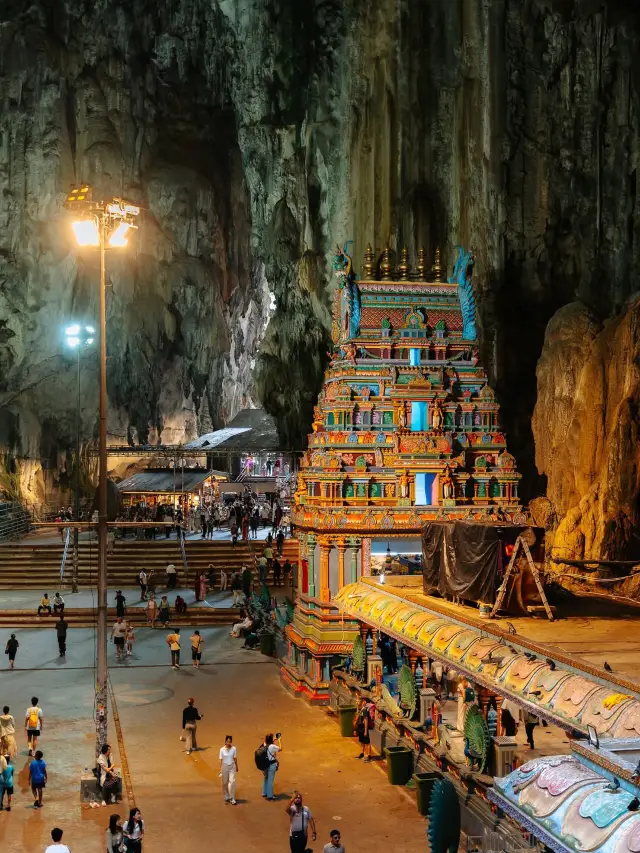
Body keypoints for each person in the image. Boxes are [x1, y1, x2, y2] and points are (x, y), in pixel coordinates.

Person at [261, 733, 282, 800]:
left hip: (265, 764)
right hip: (271, 765)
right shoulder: (272, 746)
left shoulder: (264, 744)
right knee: (270, 780)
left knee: (266, 778)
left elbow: (268, 743)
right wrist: (279, 740)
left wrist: (274, 739)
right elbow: (280, 749)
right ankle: (270, 796)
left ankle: (264, 793)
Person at [219, 734, 238, 804]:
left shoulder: (234, 749)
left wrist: (237, 766)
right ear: (225, 741)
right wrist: (220, 769)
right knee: (225, 782)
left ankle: (232, 797)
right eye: (227, 741)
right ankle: (226, 795)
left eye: (230, 741)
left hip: (232, 766)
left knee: (232, 781)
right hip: (224, 766)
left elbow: (235, 758)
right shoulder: (222, 749)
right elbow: (221, 760)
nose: (228, 743)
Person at [354, 697, 372, 761]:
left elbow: (366, 720)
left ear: (362, 702)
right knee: (362, 741)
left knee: (367, 742)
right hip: (360, 727)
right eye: (356, 701)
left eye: (358, 701)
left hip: (364, 727)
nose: (357, 702)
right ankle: (362, 753)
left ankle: (369, 756)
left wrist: (365, 731)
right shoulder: (360, 709)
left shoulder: (364, 710)